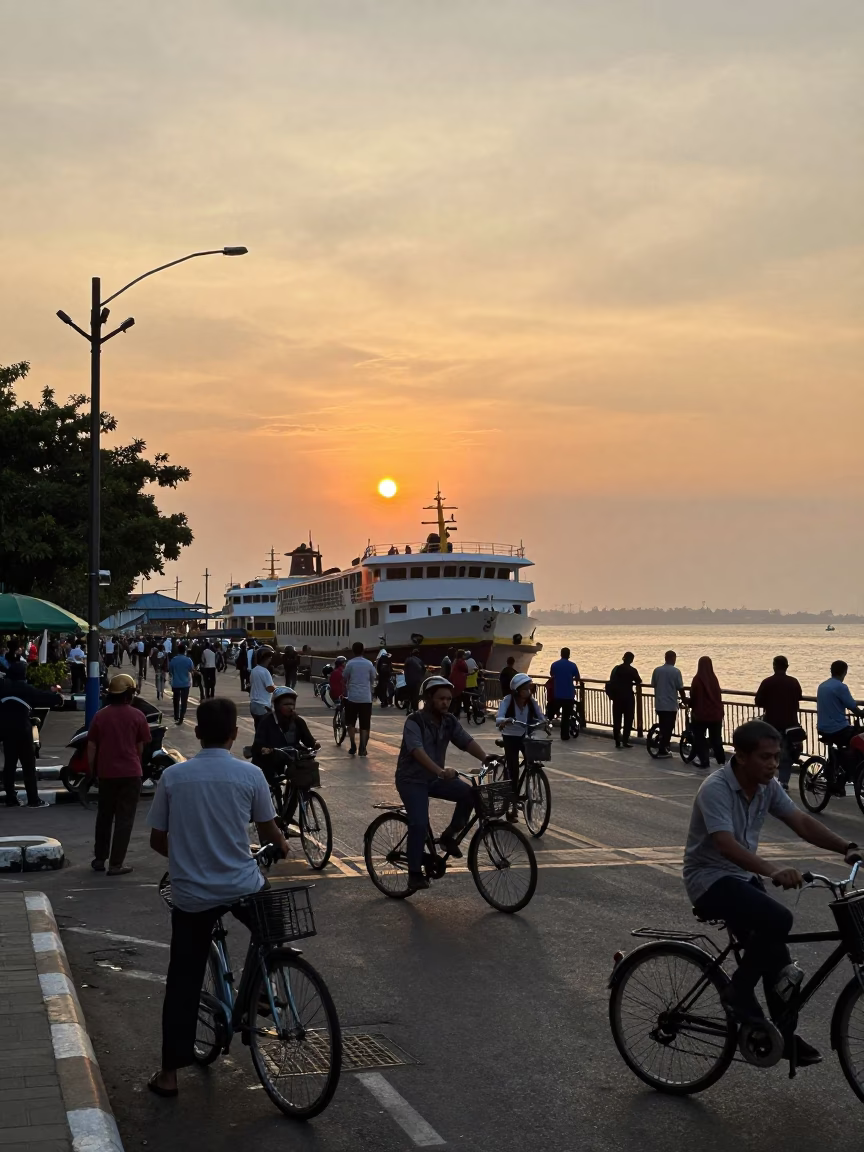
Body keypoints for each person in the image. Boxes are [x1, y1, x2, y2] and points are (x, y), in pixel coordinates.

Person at [683, 719, 860, 1066]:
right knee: (779, 918)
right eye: (765, 757)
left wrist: (847, 846)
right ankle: (737, 991)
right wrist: (773, 869)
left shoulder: (767, 787)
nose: (773, 765)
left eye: (777, 757)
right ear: (742, 756)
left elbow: (802, 822)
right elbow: (726, 845)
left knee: (782, 970)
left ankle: (781, 1036)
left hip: (741, 880)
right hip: (708, 880)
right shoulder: (716, 788)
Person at [146, 698, 288, 1098]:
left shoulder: (175, 778)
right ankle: (260, 989)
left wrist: (189, 858)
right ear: (234, 734)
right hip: (242, 885)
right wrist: (283, 845)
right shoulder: (251, 774)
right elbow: (268, 830)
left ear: (196, 732)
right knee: (273, 921)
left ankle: (170, 1074)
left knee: (183, 981)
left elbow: (158, 840)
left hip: (192, 895)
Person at [397, 676, 493, 891]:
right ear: (428, 698)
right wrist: (440, 771)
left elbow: (466, 741)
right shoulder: (414, 721)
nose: (445, 703)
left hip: (435, 778)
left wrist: (486, 758)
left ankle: (449, 836)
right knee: (419, 823)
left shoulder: (449, 720)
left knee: (469, 793)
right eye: (441, 698)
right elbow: (416, 750)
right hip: (411, 780)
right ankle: (414, 873)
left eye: (448, 699)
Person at [86, 673, 150, 874]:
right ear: (129, 694)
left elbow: (91, 746)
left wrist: (92, 770)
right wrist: (136, 765)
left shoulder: (100, 716)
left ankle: (99, 858)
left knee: (104, 816)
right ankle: (116, 863)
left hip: (106, 773)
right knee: (124, 819)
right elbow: (140, 747)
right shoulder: (138, 716)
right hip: (130, 773)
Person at [251, 686, 320, 825]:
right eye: (286, 704)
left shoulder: (298, 721)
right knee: (270, 784)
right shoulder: (267, 721)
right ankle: (269, 817)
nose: (290, 708)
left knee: (300, 779)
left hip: (290, 759)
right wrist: (265, 749)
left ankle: (288, 815)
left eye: (292, 704)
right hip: (269, 760)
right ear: (276, 705)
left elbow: (308, 740)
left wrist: (315, 744)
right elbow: (257, 744)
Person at [0, 664, 64, 808]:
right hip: (22, 729)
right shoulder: (25, 688)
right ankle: (33, 799)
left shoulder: (3, 688)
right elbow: (42, 697)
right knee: (28, 765)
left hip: (6, 730)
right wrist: (57, 698)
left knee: (9, 764)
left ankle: (10, 798)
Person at [496, 673, 546, 821]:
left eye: (529, 688)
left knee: (532, 760)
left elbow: (540, 716)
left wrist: (544, 722)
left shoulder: (532, 702)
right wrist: (505, 720)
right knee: (514, 770)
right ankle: (511, 806)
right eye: (525, 688)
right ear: (517, 690)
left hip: (525, 735)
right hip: (510, 736)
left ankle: (530, 783)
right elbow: (499, 717)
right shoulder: (507, 700)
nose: (528, 691)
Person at [755, 656, 804, 790]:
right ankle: (784, 781)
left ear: (774, 666)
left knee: (768, 751)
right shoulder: (794, 682)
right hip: (791, 723)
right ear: (787, 667)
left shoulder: (767, 682)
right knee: (787, 752)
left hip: (772, 723)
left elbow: (758, 701)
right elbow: (799, 696)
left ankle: (766, 778)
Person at [816, 660, 864, 753]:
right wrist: (861, 713)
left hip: (822, 727)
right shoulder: (841, 687)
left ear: (831, 671)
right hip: (837, 729)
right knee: (859, 737)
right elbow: (853, 707)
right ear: (845, 672)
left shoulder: (822, 686)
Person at [690, 656, 726, 769]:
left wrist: (690, 705)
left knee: (699, 737)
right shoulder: (714, 679)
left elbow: (694, 696)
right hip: (716, 714)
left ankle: (704, 760)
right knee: (716, 738)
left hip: (701, 715)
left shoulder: (697, 679)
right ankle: (722, 761)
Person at [342, 641, 376, 756]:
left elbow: (344, 677)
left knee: (350, 723)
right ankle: (362, 748)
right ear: (363, 650)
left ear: (353, 651)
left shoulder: (350, 664)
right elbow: (373, 678)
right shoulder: (369, 664)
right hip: (366, 698)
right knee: (365, 724)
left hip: (353, 697)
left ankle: (353, 745)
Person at [651, 650, 687, 758]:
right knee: (669, 727)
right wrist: (684, 699)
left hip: (659, 704)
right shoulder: (676, 672)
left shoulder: (657, 670)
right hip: (670, 705)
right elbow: (680, 687)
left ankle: (662, 745)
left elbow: (653, 684)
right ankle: (663, 749)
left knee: (663, 725)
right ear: (673, 658)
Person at [607, 652, 642, 749]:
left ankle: (617, 740)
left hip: (617, 697)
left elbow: (611, 680)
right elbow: (639, 681)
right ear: (631, 660)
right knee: (628, 719)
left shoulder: (616, 669)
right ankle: (625, 741)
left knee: (617, 719)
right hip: (628, 697)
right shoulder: (632, 670)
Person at [549, 648, 581, 742]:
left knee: (551, 712)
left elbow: (551, 674)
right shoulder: (573, 665)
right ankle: (564, 735)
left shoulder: (555, 664)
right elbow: (577, 677)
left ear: (561, 654)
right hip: (568, 694)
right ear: (569, 655)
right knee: (566, 716)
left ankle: (544, 728)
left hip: (557, 694)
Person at [168, 644, 195, 725]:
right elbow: (191, 670)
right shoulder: (188, 660)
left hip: (175, 683)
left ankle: (176, 716)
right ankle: (181, 718)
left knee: (176, 701)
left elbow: (170, 672)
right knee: (184, 701)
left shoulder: (173, 660)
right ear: (185, 651)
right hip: (185, 684)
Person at [249, 647, 276, 720]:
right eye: (269, 658)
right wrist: (276, 688)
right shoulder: (265, 671)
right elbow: (269, 688)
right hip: (263, 705)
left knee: (258, 727)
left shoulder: (254, 670)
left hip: (253, 704)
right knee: (265, 728)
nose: (270, 659)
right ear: (266, 659)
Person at [449, 650, 469, 717]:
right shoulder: (461, 662)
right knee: (459, 699)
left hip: (454, 681)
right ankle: (456, 714)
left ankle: (452, 712)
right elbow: (466, 669)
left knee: (454, 698)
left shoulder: (455, 662)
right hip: (459, 683)